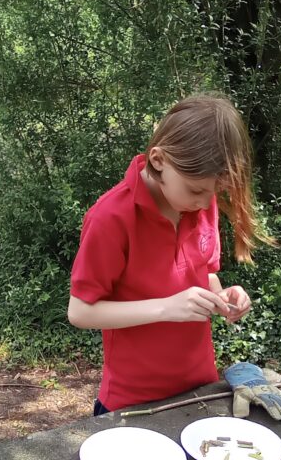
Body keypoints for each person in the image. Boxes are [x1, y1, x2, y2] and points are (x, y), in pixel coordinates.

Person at [68, 93, 267, 414]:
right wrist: (166, 308)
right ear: (159, 160)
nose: (205, 204)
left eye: (214, 193)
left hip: (199, 387)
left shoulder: (200, 204)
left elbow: (205, 274)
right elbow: (79, 312)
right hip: (132, 399)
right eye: (196, 190)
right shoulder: (111, 218)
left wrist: (222, 297)